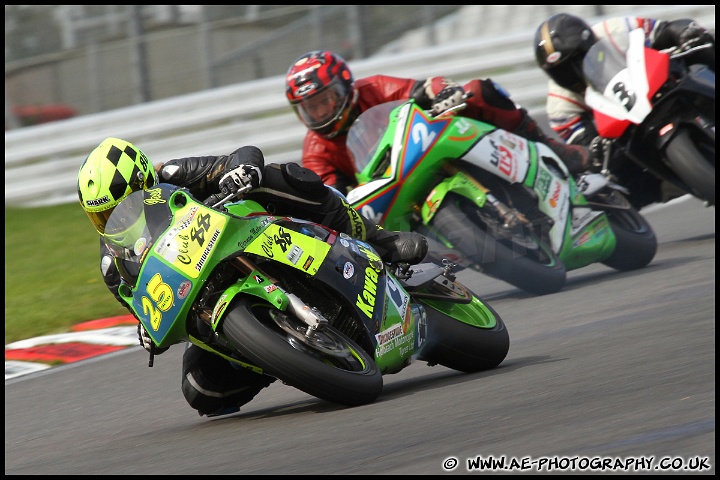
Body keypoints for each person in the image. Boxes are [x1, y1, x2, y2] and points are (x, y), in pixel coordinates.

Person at [77, 137, 428, 417]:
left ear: (143, 181)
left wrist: (240, 171)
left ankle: (379, 239)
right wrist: (148, 328)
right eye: (101, 216)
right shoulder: (113, 263)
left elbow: (241, 155)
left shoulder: (173, 173)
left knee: (280, 176)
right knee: (200, 391)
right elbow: (138, 303)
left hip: (250, 236)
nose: (112, 220)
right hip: (204, 298)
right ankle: (275, 354)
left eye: (117, 206)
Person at [285, 49, 594, 195]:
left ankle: (550, 148)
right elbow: (332, 195)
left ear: (345, 87)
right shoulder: (316, 151)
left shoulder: (373, 88)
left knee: (477, 92)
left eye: (325, 99)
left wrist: (442, 91)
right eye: (310, 108)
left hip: (420, 151)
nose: (321, 112)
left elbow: (420, 89)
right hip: (387, 196)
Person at [533, 13, 715, 208]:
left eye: (578, 60)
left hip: (663, 84)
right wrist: (594, 149)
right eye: (562, 71)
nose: (574, 72)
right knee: (609, 184)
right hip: (632, 133)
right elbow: (585, 148)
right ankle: (678, 180)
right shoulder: (559, 105)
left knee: (701, 46)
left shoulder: (616, 30)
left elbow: (666, 30)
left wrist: (684, 34)